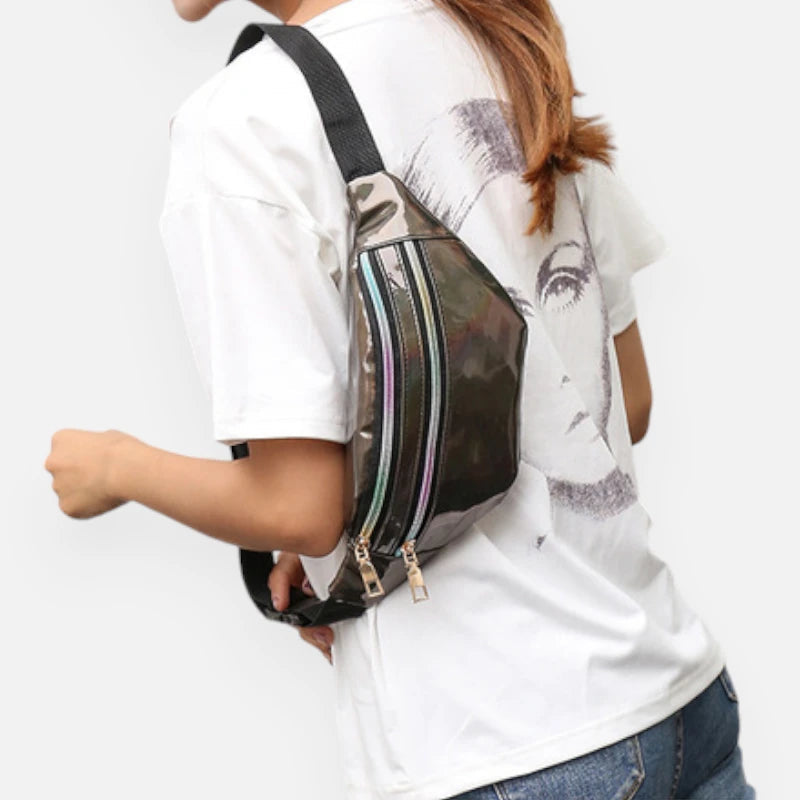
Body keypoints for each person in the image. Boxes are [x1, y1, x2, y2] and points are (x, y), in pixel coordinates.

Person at [43, 0, 757, 797]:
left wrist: (116, 467)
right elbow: (626, 399)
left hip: (505, 743)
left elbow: (299, 508)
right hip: (678, 698)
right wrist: (377, 507)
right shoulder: (502, 38)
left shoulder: (245, 120)